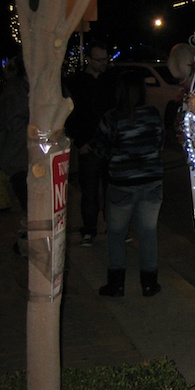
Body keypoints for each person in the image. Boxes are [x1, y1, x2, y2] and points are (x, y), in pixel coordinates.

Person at [90, 70, 165, 297]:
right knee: (148, 233)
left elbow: (99, 149)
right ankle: (149, 283)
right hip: (151, 182)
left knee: (115, 233)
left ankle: (116, 284)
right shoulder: (152, 115)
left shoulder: (111, 118)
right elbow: (160, 144)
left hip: (121, 184)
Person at [65, 41, 115, 246]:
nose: (103, 64)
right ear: (90, 60)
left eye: (105, 59)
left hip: (109, 143)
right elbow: (71, 114)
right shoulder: (77, 82)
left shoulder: (110, 80)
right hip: (88, 143)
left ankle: (113, 227)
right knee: (90, 189)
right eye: (99, 60)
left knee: (111, 189)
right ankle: (89, 229)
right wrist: (79, 141)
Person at [0, 55, 30, 255]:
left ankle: (24, 242)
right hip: (19, 159)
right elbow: (15, 128)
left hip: (32, 158)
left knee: (32, 208)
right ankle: (26, 245)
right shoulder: (14, 93)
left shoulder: (38, 89)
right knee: (31, 206)